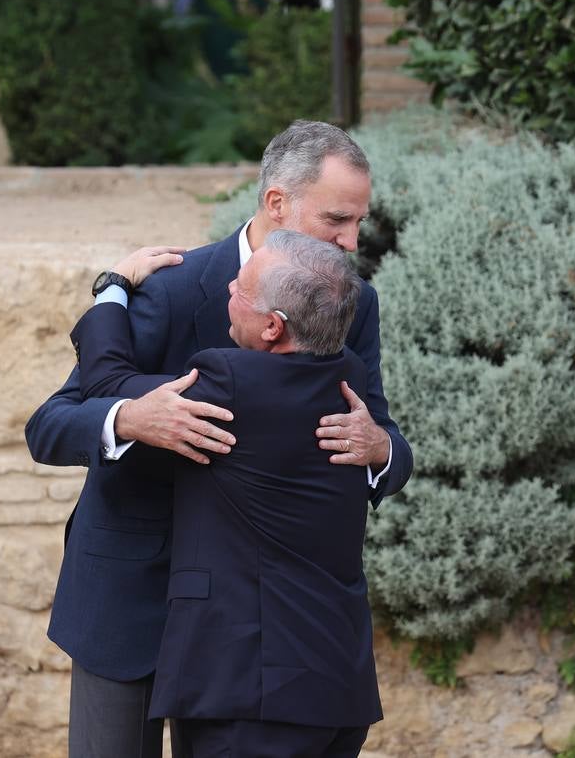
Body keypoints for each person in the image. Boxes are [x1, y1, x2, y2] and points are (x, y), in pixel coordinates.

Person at [25, 120, 413, 757]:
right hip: (131, 595)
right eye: (337, 219)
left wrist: (381, 450)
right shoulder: (173, 286)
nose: (350, 241)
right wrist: (127, 419)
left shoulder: (352, 301)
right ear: (277, 204)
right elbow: (50, 423)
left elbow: (382, 434)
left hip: (255, 632)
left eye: (357, 223)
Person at [74, 229, 381, 756]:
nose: (228, 290)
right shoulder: (345, 378)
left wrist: (113, 289)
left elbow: (103, 385)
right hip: (336, 684)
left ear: (272, 327)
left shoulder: (228, 383)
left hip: (251, 692)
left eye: (241, 291)